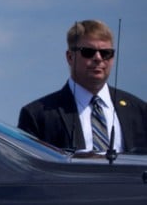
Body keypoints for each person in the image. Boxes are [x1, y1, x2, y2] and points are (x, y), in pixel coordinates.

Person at [18, 19, 147, 153]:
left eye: (106, 53)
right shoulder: (38, 115)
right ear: (69, 57)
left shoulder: (140, 112)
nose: (98, 58)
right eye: (88, 52)